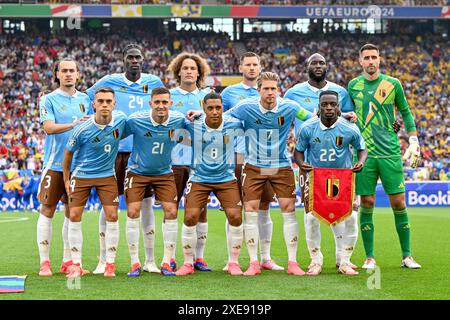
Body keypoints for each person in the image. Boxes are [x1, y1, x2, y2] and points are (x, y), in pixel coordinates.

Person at [86, 44, 164, 274]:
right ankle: (103, 260)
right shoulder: (109, 81)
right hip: (114, 151)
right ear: (123, 60)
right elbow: (87, 98)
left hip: (143, 152)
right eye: (130, 57)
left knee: (146, 205)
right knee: (108, 204)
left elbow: (164, 105)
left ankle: (149, 260)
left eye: (138, 57)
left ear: (143, 59)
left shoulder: (154, 82)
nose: (134, 61)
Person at [227, 72, 312, 276]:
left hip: (280, 165)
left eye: (273, 88)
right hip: (254, 166)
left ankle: (292, 262)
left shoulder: (289, 107)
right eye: (266, 88)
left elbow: (311, 118)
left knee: (288, 208)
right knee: (251, 210)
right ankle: (254, 262)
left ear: (278, 90)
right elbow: (224, 117)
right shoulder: (246, 107)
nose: (270, 92)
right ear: (259, 90)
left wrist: (343, 117)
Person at [347, 43, 421, 269]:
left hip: (390, 152)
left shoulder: (393, 84)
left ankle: (407, 255)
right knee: (366, 202)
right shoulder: (353, 86)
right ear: (360, 61)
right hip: (364, 154)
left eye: (374, 57)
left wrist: (414, 139)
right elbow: (349, 115)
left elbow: (406, 112)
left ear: (379, 60)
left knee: (398, 203)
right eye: (366, 57)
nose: (371, 61)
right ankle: (369, 257)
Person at [285, 53, 357, 270]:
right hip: (310, 166)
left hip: (339, 168)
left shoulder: (341, 92)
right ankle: (315, 259)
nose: (318, 66)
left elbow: (351, 119)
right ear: (307, 67)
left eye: (322, 63)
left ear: (327, 66)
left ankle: (341, 258)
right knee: (312, 215)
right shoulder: (293, 92)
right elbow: (283, 119)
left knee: (342, 214)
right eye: (314, 63)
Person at [294, 90, 367, 275]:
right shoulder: (308, 127)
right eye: (324, 104)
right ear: (318, 107)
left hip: (343, 179)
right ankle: (315, 260)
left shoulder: (350, 128)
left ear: (338, 107)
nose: (328, 108)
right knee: (311, 218)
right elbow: (299, 151)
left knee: (351, 218)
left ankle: (345, 261)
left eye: (332, 104)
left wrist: (361, 161)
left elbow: (362, 148)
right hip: (316, 179)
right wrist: (301, 163)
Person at [221, 52, 283, 271]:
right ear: (240, 67)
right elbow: (221, 120)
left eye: (255, 64)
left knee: (264, 206)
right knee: (234, 209)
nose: (252, 68)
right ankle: (233, 260)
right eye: (247, 64)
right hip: (236, 158)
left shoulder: (270, 94)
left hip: (262, 160)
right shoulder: (229, 93)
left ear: (260, 67)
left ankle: (265, 258)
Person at [177, 92, 245, 276]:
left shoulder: (233, 124)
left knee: (236, 217)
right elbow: (176, 129)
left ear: (223, 107)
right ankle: (188, 263)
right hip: (199, 178)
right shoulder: (193, 125)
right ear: (204, 108)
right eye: (210, 108)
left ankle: (233, 262)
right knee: (190, 217)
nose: (215, 112)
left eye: (218, 108)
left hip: (226, 178)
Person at [62, 87, 127, 278]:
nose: (104, 104)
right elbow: (68, 154)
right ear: (94, 104)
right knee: (74, 216)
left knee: (112, 216)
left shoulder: (121, 119)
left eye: (108, 101)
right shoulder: (82, 129)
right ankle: (76, 265)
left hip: (107, 176)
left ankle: (110, 265)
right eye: (101, 101)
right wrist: (67, 179)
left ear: (114, 104)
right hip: (82, 176)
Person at [123, 87, 186, 277]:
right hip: (137, 171)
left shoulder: (178, 120)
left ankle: (167, 261)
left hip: (164, 172)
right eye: (157, 102)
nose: (161, 106)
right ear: (150, 103)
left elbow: (195, 129)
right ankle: (134, 262)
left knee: (171, 211)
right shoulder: (136, 120)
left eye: (164, 102)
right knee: (133, 211)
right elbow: (116, 131)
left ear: (170, 103)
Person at [37, 58, 91, 277]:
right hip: (54, 165)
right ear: (57, 74)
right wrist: (73, 125)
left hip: (78, 168)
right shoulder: (48, 99)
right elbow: (48, 128)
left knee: (72, 214)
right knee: (48, 210)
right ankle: (44, 263)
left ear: (78, 74)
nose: (68, 74)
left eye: (72, 71)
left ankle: (68, 262)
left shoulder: (86, 99)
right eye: (64, 71)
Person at [167, 52, 212, 272]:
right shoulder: (169, 96)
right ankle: (172, 256)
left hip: (201, 162)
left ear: (199, 72)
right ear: (178, 72)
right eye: (185, 68)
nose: (189, 71)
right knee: (172, 209)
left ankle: (199, 257)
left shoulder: (207, 97)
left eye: (193, 68)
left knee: (200, 210)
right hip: (174, 161)